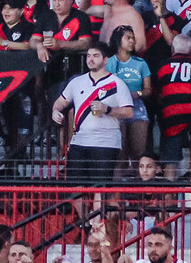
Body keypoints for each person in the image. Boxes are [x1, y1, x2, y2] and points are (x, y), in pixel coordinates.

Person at [51, 43, 135, 182]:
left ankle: (98, 205)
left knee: (99, 187)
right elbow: (60, 102)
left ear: (106, 59)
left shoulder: (117, 83)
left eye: (96, 56)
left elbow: (129, 112)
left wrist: (107, 109)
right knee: (75, 187)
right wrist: (55, 111)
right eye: (88, 56)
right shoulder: (76, 82)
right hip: (79, 141)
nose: (90, 59)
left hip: (105, 142)